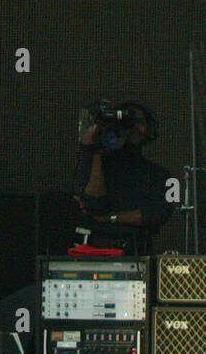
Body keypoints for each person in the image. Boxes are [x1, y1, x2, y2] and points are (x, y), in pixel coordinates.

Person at [73, 101, 175, 253]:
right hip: (93, 249)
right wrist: (96, 150)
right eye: (127, 123)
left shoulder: (160, 175)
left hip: (136, 250)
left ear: (149, 128)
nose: (132, 128)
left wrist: (109, 218)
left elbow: (158, 214)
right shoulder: (94, 160)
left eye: (138, 122)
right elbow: (93, 204)